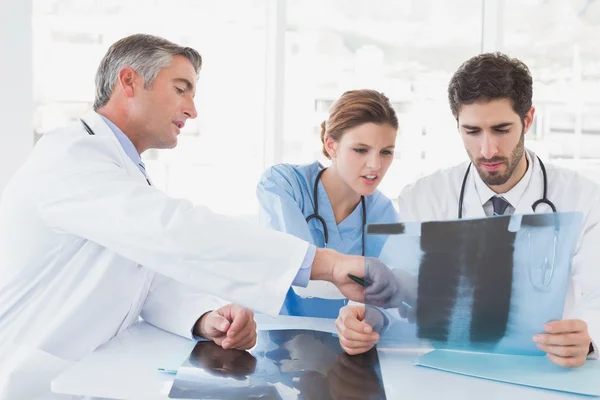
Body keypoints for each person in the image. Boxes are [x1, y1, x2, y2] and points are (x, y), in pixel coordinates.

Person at [0, 34, 395, 398]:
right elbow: (172, 230)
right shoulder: (70, 156)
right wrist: (326, 263)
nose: (191, 109)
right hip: (29, 375)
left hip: (84, 374)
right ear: (129, 82)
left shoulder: (121, 170)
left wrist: (206, 318)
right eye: (181, 89)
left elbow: (145, 279)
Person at [336, 52, 600, 368]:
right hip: (450, 369)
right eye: (472, 131)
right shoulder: (424, 198)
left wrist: (589, 335)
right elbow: (395, 284)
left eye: (501, 129)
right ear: (457, 125)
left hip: (545, 370)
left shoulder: (584, 199)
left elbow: (596, 293)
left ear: (528, 120)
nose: (487, 150)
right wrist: (364, 317)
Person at [257, 89, 399, 318]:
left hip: (346, 338)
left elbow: (392, 296)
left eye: (386, 152)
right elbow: (292, 267)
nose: (375, 165)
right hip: (277, 336)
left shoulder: (383, 212)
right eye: (360, 150)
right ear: (331, 145)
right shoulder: (284, 185)